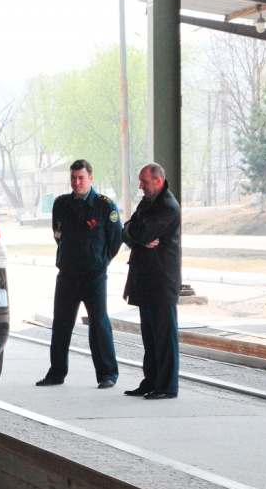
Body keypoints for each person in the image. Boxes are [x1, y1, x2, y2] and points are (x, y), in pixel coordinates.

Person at [37, 160, 123, 389]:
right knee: (61, 324)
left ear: (90, 178)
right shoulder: (61, 204)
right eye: (73, 177)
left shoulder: (104, 206)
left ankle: (107, 374)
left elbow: (116, 239)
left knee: (99, 324)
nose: (77, 182)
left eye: (81, 177)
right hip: (67, 274)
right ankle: (56, 373)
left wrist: (100, 260)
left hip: (93, 276)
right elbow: (58, 234)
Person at [122, 163, 182, 400]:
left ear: (157, 181)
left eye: (144, 182)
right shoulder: (148, 202)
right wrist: (137, 236)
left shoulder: (167, 206)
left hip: (161, 280)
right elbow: (126, 229)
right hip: (146, 280)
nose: (141, 186)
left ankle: (167, 386)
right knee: (149, 337)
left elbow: (141, 232)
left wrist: (136, 235)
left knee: (164, 337)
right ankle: (151, 381)